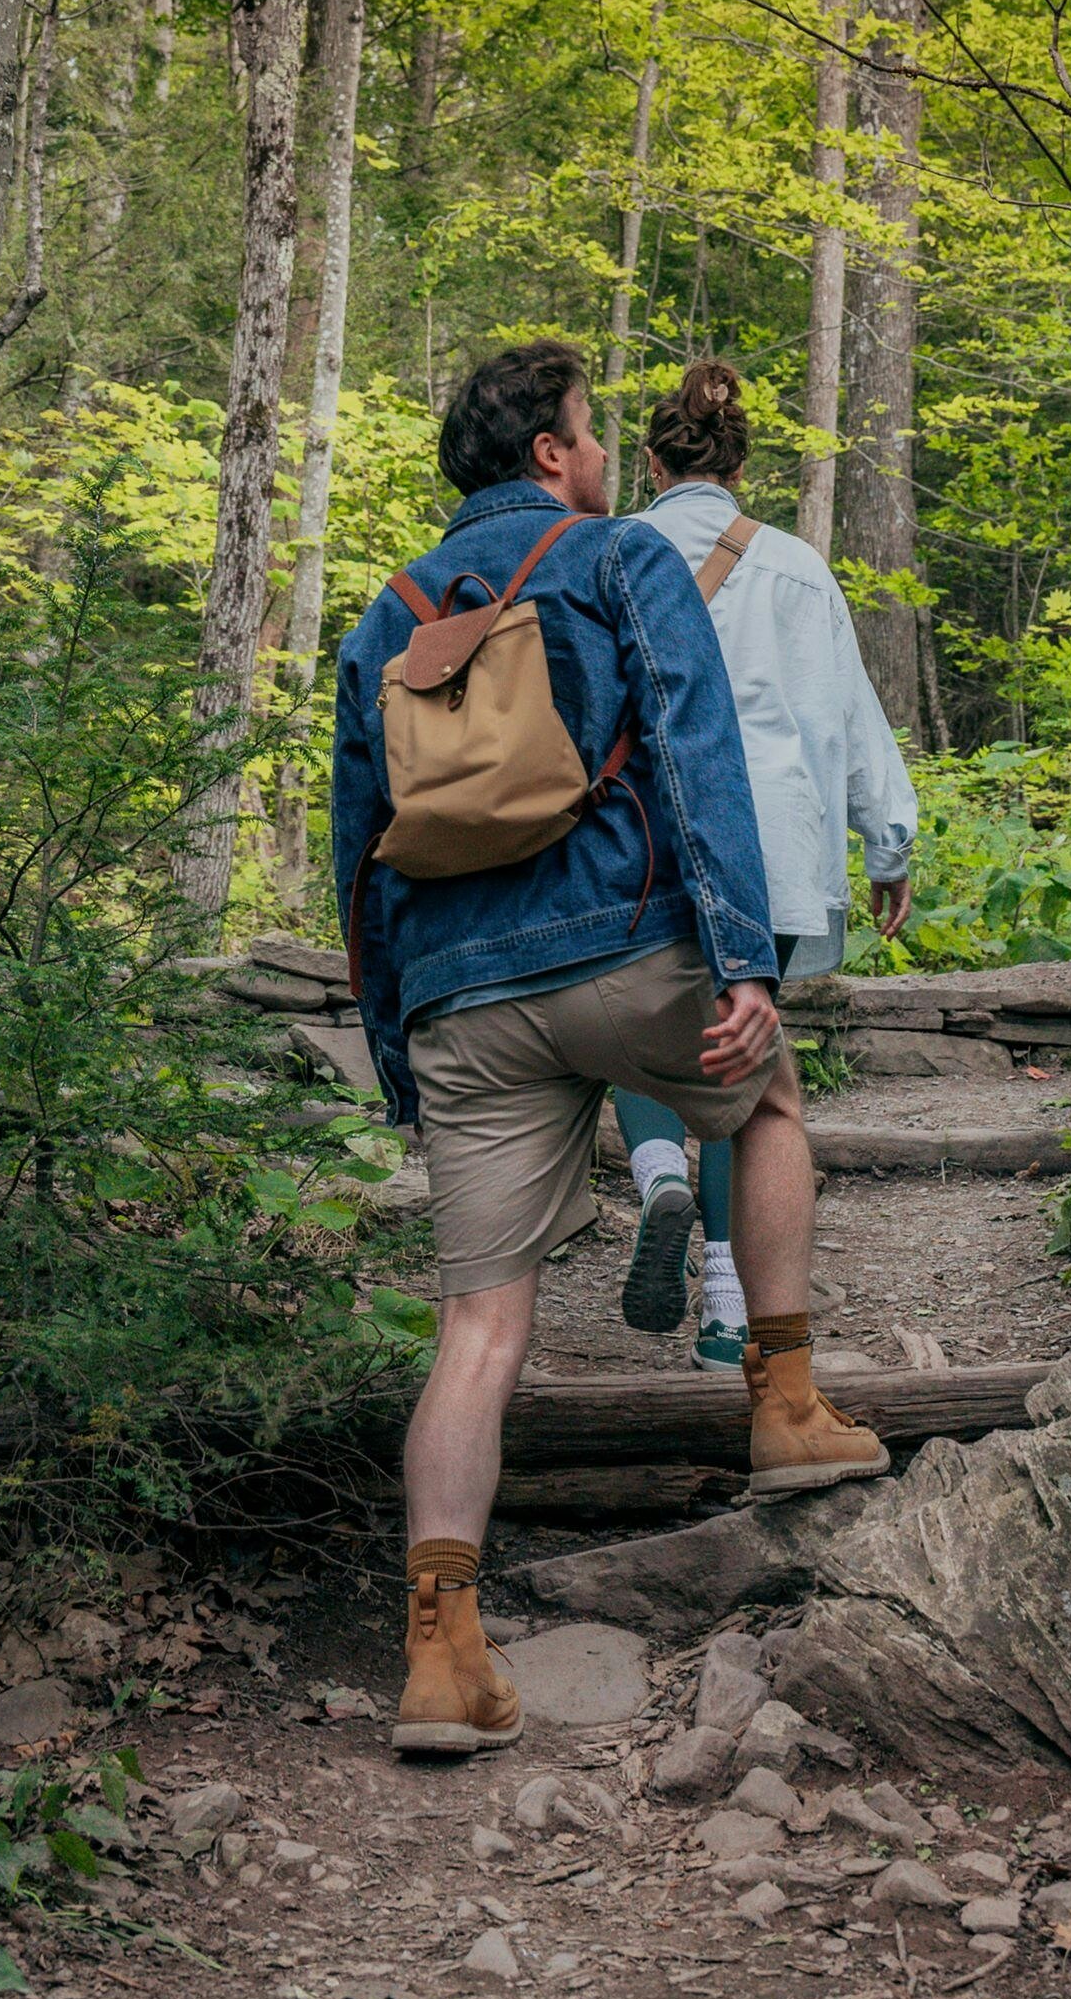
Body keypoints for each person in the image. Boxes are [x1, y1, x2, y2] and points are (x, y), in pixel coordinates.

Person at [332, 337, 888, 1761]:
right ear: (548, 455)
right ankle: (781, 1403)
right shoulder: (615, 561)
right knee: (764, 1110)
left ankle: (442, 1655)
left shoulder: (378, 621)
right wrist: (743, 957)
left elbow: (359, 853)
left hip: (458, 994)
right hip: (626, 950)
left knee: (478, 1327)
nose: (594, 457)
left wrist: (401, 1046)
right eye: (582, 434)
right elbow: (693, 752)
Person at [609, 359, 918, 1365]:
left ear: (651, 462)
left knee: (631, 1029)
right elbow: (849, 708)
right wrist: (889, 840)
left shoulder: (607, 551)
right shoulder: (796, 565)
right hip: (771, 849)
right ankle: (730, 1303)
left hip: (643, 837)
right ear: (739, 467)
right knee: (742, 1065)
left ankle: (656, 1165)